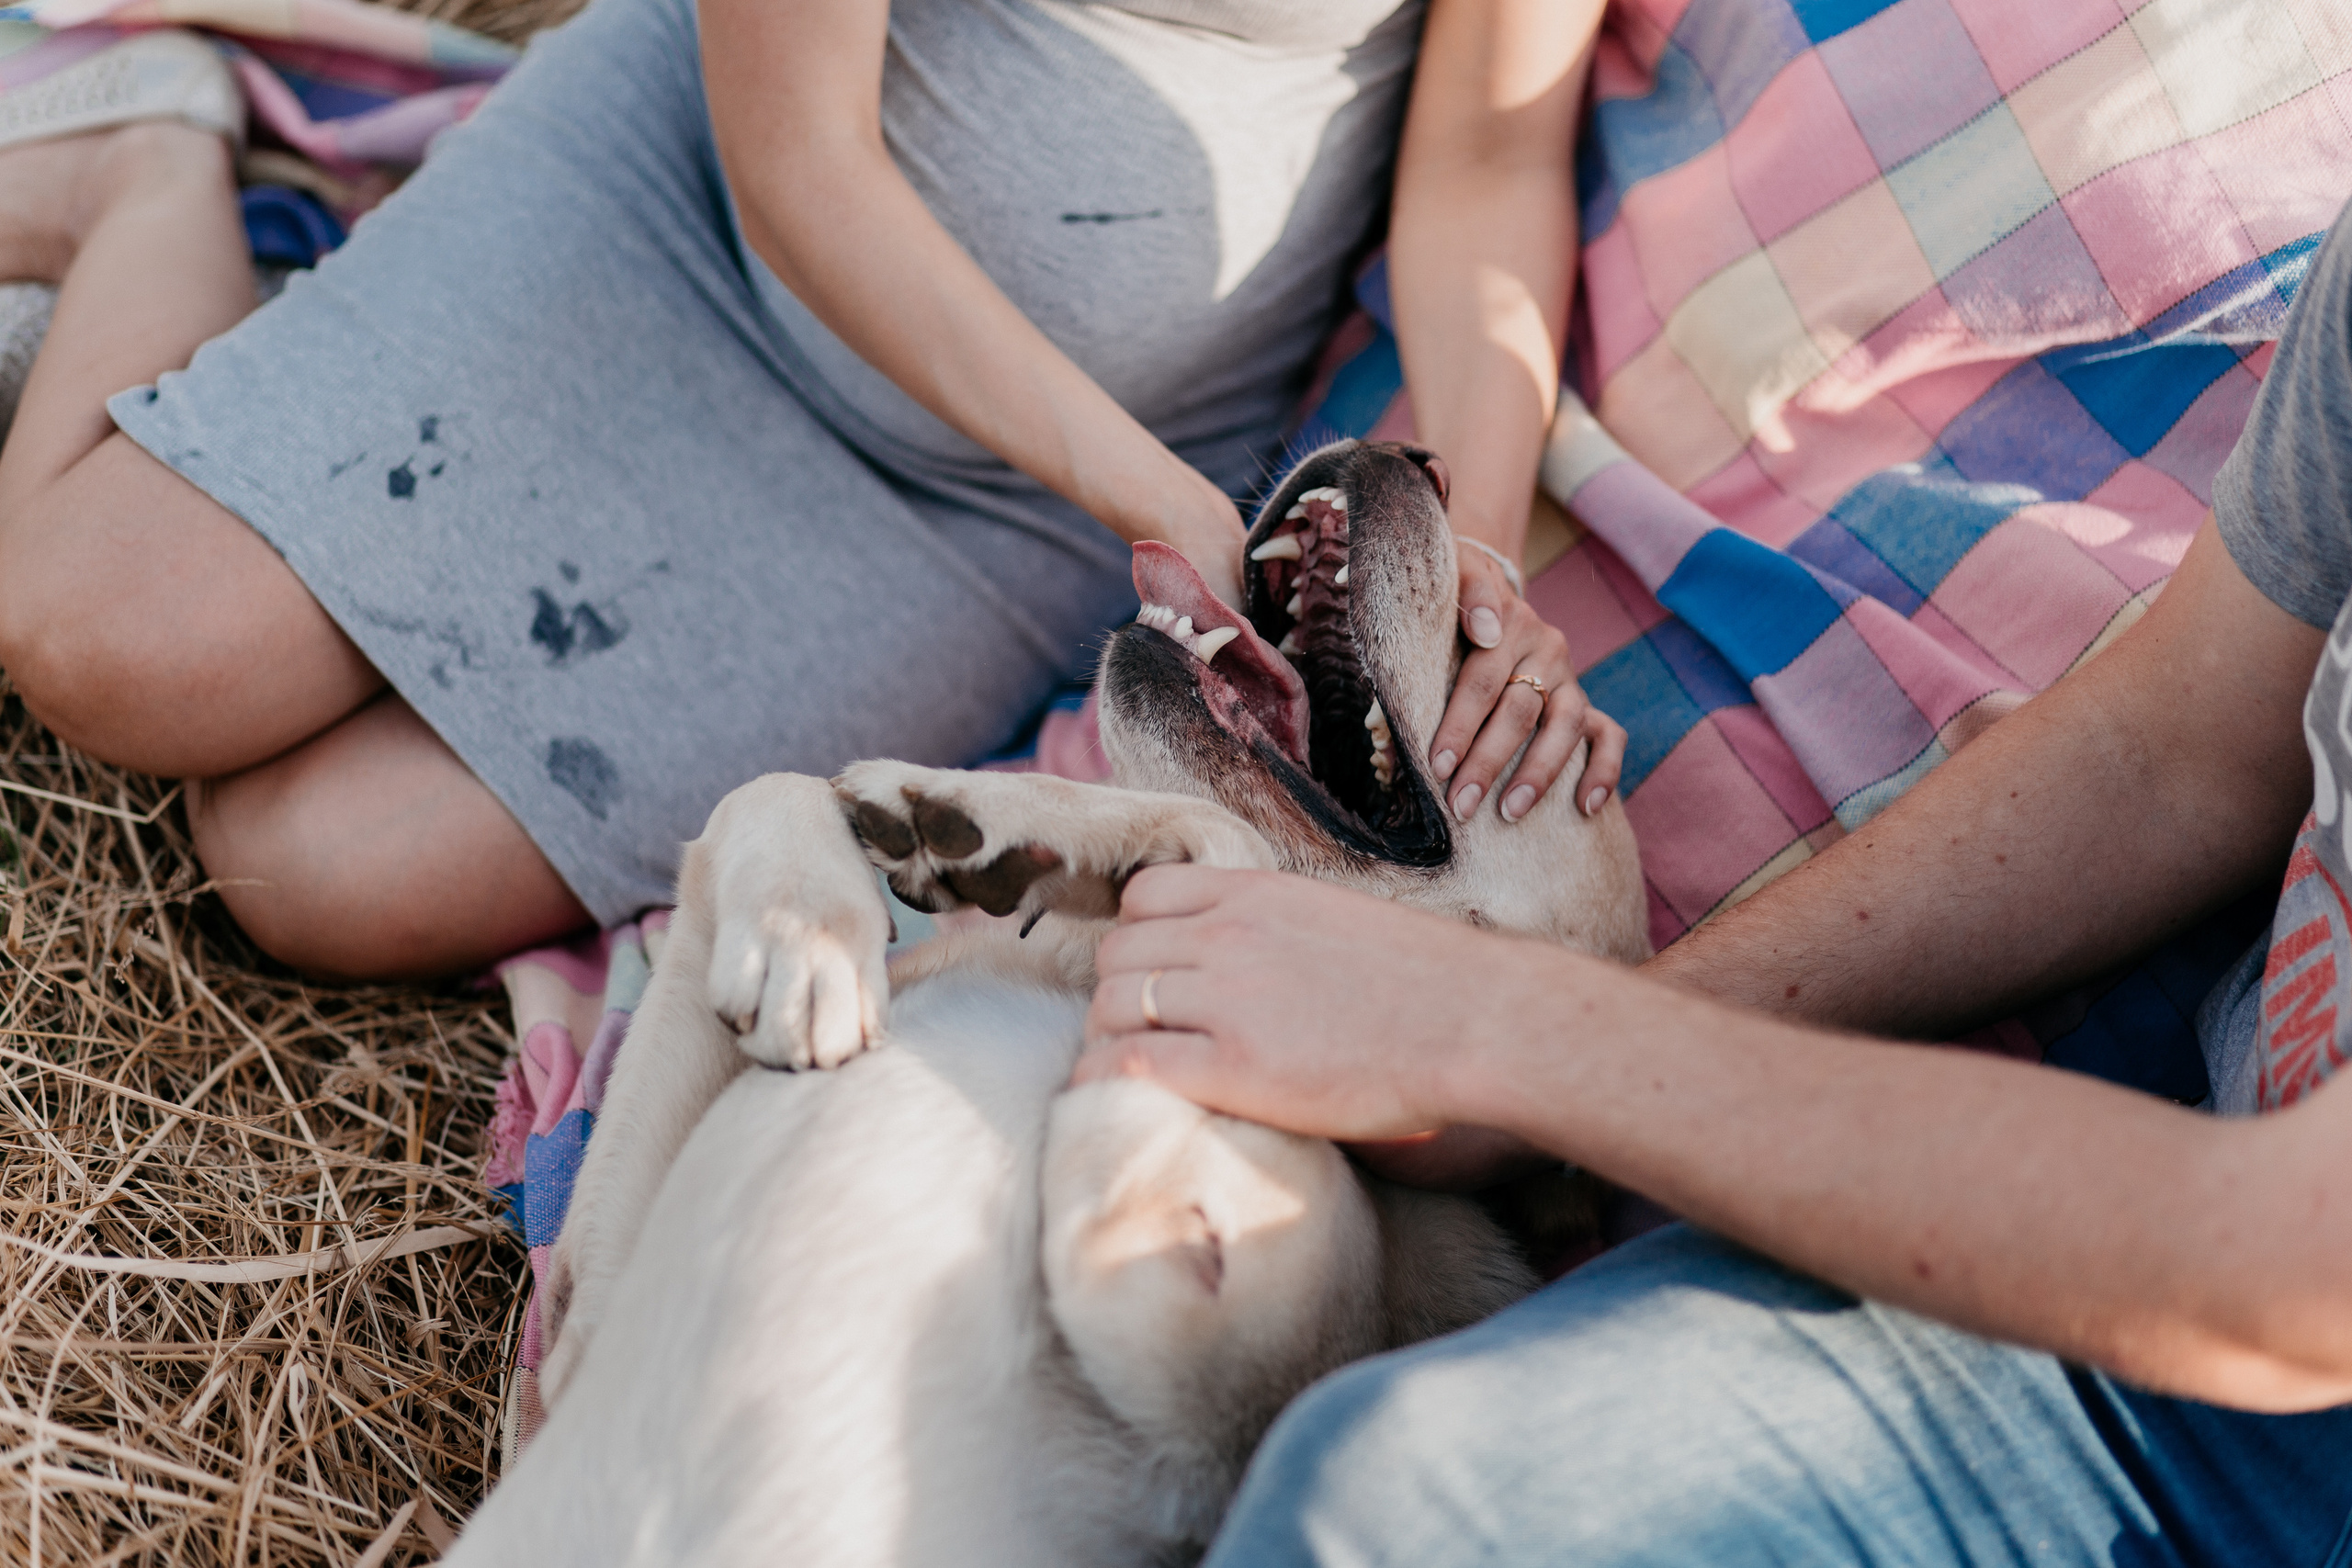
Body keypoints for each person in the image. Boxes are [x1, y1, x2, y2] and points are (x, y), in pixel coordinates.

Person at [1074, 203, 2352, 1565]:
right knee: (1390, 1503)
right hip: (2144, 1288)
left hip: (2250, 1310)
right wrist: (1523, 1106)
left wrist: (1491, 1030)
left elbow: (2282, 1272)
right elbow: (2177, 762)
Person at [0, 0, 1621, 980]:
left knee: (308, 870)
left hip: (982, 522)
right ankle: (147, 167)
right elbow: (801, 171)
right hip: (689, 213)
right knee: (96, 637)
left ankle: (272, 425)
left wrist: (1461, 557)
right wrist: (1159, 502)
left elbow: (1487, 164)